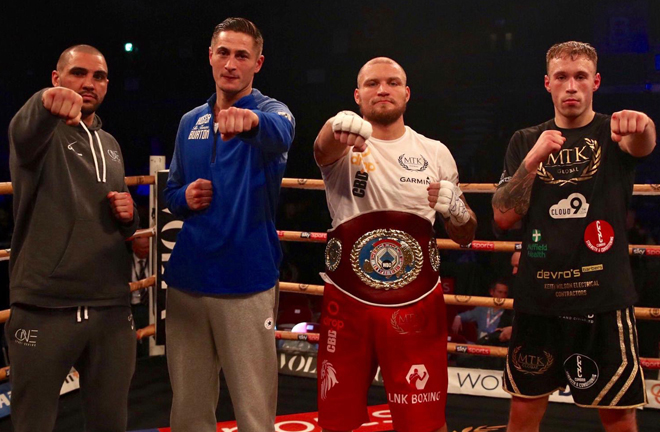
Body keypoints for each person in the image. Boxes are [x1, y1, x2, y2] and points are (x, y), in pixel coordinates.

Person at [492, 41, 656, 432]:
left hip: (603, 299)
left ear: (595, 82)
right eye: (562, 77)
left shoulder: (611, 132)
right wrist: (532, 161)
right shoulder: (524, 139)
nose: (571, 86)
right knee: (524, 411)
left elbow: (642, 144)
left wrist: (645, 125)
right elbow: (502, 216)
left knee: (619, 416)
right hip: (538, 299)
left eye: (580, 76)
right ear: (547, 83)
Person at [314, 57, 477, 432]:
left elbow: (465, 234)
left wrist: (455, 210)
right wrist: (332, 125)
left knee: (423, 423)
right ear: (358, 95)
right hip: (349, 302)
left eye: (391, 82)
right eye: (372, 84)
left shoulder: (434, 152)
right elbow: (321, 150)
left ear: (407, 93)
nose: (382, 90)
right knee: (336, 422)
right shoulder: (343, 143)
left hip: (416, 306)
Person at [163, 17, 295, 432]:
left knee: (254, 410)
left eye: (242, 55)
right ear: (210, 56)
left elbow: (282, 133)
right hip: (188, 279)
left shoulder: (272, 111)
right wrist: (183, 198)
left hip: (247, 278)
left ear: (258, 62)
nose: (231, 63)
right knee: (188, 409)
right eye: (224, 52)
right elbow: (171, 190)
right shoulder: (190, 122)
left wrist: (250, 121)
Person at [6, 44, 139, 432]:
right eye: (78, 73)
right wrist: (46, 103)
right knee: (34, 424)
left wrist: (129, 220)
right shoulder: (40, 136)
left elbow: (107, 219)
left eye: (98, 77)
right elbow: (23, 129)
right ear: (56, 78)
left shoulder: (110, 145)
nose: (88, 83)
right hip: (45, 307)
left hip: (111, 307)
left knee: (111, 422)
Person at [451, 278, 512, 344]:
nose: (502, 296)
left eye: (505, 293)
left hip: (496, 346)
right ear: (491, 292)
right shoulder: (482, 309)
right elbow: (466, 315)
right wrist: (458, 317)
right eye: (500, 292)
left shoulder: (509, 313)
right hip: (479, 344)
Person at [130, 236, 151, 357]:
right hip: (133, 307)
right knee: (133, 338)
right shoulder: (125, 262)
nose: (147, 250)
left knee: (148, 340)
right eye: (143, 248)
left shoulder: (154, 259)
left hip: (149, 306)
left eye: (148, 246)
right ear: (134, 248)